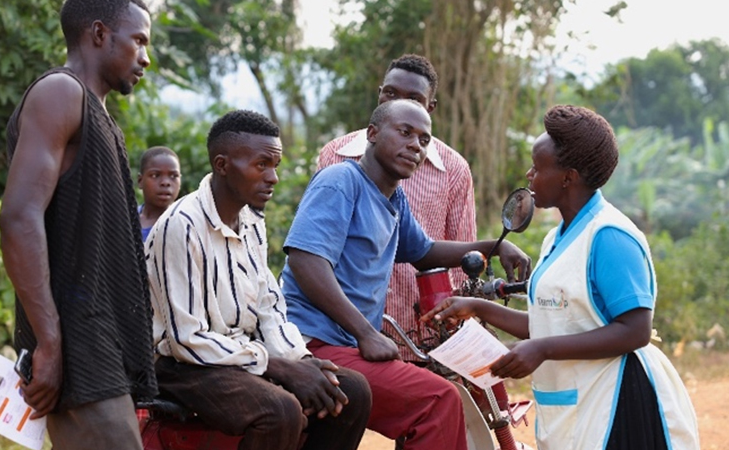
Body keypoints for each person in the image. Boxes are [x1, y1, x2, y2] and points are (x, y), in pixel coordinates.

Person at [423, 105, 700, 450]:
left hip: (617, 402)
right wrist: (478, 308)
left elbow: (636, 330)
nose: (528, 175)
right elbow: (552, 321)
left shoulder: (611, 237)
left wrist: (542, 349)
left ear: (568, 177)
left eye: (537, 168)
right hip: (573, 403)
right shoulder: (555, 238)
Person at [281, 99, 531, 450]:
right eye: (405, 132)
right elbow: (307, 262)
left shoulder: (394, 200)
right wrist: (367, 333)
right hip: (315, 342)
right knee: (438, 400)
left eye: (424, 139)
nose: (416, 145)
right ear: (372, 134)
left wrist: (494, 245)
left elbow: (423, 252)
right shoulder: (342, 181)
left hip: (345, 344)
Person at [145, 110, 372, 450]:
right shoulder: (182, 225)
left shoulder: (251, 222)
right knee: (279, 411)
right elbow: (185, 339)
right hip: (180, 365)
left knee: (351, 391)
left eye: (275, 165)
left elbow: (269, 307)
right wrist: (277, 367)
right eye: (261, 165)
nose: (273, 178)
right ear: (222, 165)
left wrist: (303, 362)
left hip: (240, 354)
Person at [0, 1, 155, 448]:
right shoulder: (60, 93)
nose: (145, 56)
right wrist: (48, 341)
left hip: (98, 336)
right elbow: (18, 217)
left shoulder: (102, 116)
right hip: (76, 339)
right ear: (100, 34)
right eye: (139, 40)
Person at [317, 54, 476, 361]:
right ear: (379, 94)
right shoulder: (336, 157)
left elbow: (456, 262)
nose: (399, 103)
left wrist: (458, 330)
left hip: (421, 334)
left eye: (414, 99)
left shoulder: (453, 169)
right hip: (343, 332)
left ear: (431, 108)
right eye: (390, 93)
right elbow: (317, 250)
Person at [137, 145, 181, 241]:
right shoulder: (126, 220)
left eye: (173, 176)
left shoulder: (184, 224)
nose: (165, 182)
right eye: (155, 175)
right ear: (140, 181)